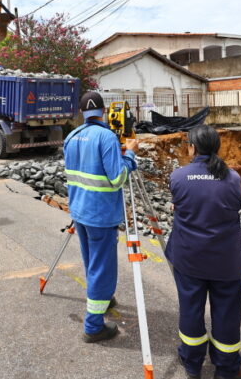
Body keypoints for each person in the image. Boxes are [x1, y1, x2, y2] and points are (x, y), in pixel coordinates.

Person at [166, 125, 241, 379]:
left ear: (192, 148)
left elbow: (182, 203)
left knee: (190, 310)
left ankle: (192, 364)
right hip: (227, 261)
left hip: (189, 258)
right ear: (216, 147)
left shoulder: (179, 176)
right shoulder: (233, 178)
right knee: (227, 314)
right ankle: (227, 369)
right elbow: (232, 206)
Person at [63, 91, 139, 343]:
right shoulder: (106, 137)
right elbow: (117, 178)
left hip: (80, 211)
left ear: (82, 112)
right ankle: (94, 326)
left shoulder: (71, 137)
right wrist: (129, 155)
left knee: (92, 263)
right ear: (104, 111)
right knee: (102, 268)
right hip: (101, 214)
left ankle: (103, 299)